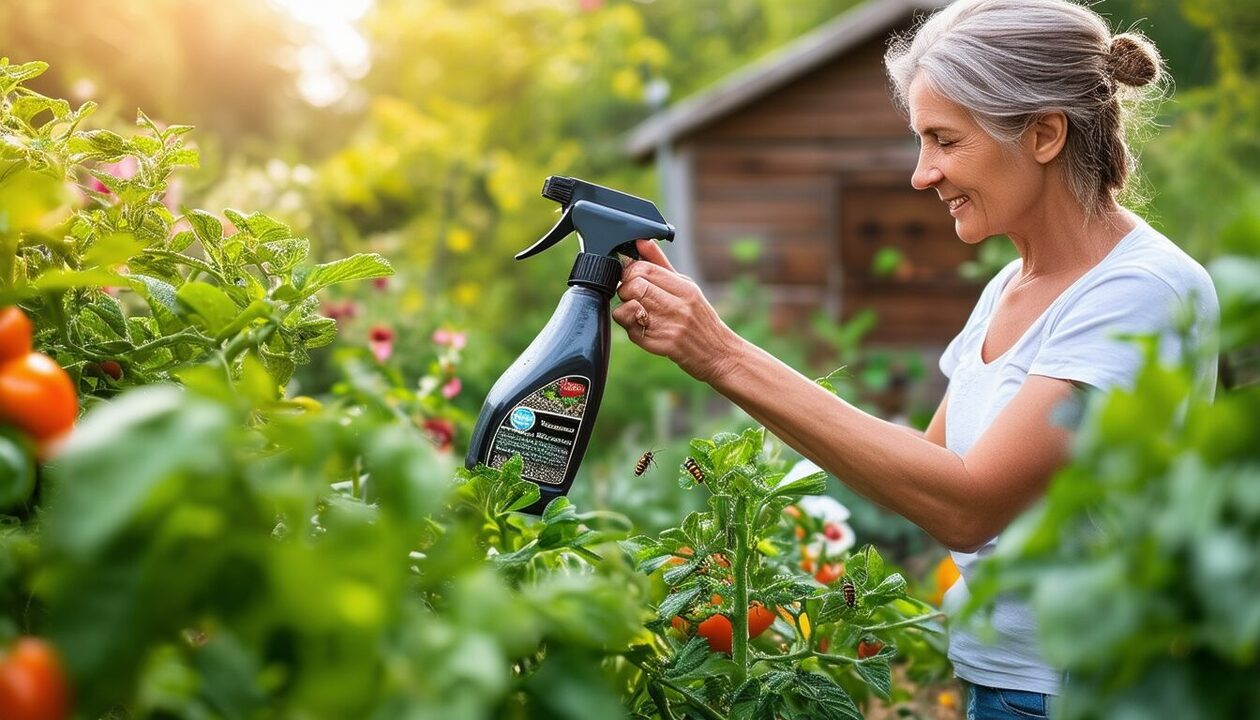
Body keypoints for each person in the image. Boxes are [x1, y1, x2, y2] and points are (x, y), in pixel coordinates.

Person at [611, 0, 1219, 718]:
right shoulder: (1009, 287)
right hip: (1001, 683)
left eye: (945, 140)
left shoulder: (1139, 291)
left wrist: (723, 355)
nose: (922, 174)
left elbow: (968, 506)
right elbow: (924, 473)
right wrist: (719, 360)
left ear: (1045, 133)